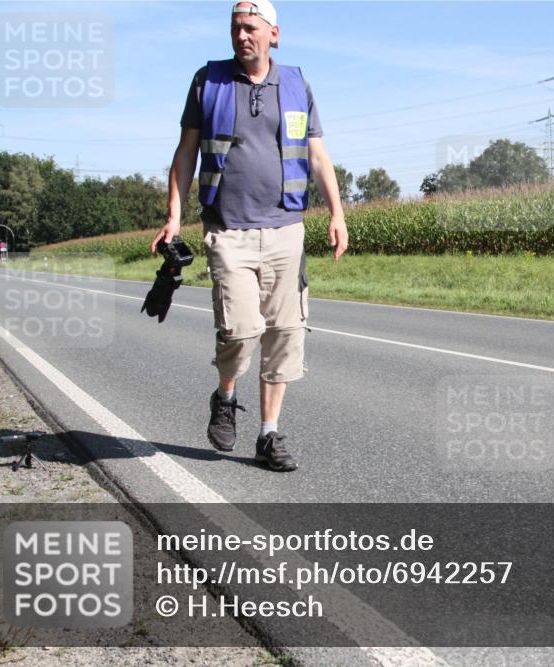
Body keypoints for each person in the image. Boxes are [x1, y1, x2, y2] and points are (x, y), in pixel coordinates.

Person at [152, 0, 348, 472]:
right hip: (228, 230)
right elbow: (185, 155)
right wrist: (174, 217)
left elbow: (318, 157)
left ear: (273, 35)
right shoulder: (209, 81)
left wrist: (337, 213)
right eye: (235, 28)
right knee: (239, 331)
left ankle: (269, 434)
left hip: (286, 229)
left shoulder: (297, 83)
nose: (241, 36)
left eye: (250, 28)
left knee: (284, 335)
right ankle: (225, 396)